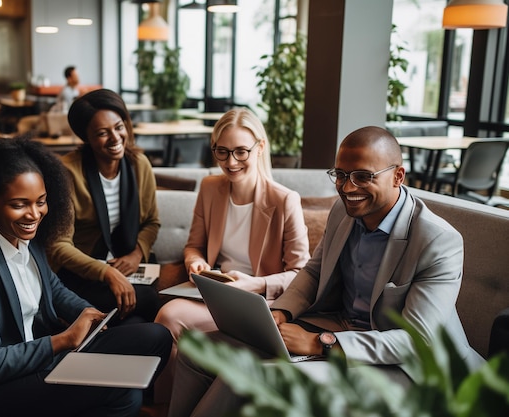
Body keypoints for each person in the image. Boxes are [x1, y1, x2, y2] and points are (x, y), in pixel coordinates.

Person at [167, 126, 485, 417]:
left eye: (362, 176)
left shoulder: (438, 240)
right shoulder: (342, 212)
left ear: (398, 176)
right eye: (341, 175)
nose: (347, 188)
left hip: (406, 367)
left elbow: (417, 342)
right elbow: (315, 272)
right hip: (340, 328)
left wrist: (322, 343)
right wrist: (280, 314)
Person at [0, 136, 171, 417]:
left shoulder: (26, 235)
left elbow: (51, 287)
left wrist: (86, 312)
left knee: (155, 336)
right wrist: (65, 340)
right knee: (124, 389)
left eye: (41, 201)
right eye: (20, 204)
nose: (34, 214)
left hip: (43, 359)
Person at [153, 107, 311, 402]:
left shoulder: (284, 200)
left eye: (241, 152)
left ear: (260, 147)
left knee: (170, 316)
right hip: (217, 294)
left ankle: (166, 407)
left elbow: (302, 274)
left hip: (260, 302)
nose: (231, 162)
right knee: (168, 316)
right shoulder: (210, 188)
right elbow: (194, 246)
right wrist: (195, 262)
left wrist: (253, 284)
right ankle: (165, 405)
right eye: (222, 152)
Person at [47, 89, 161, 324]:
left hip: (126, 263)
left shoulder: (139, 165)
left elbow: (151, 221)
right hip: (80, 272)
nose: (116, 138)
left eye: (119, 127)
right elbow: (58, 245)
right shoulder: (68, 172)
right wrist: (107, 273)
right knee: (149, 300)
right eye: (102, 133)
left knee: (139, 317)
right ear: (85, 137)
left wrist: (136, 254)